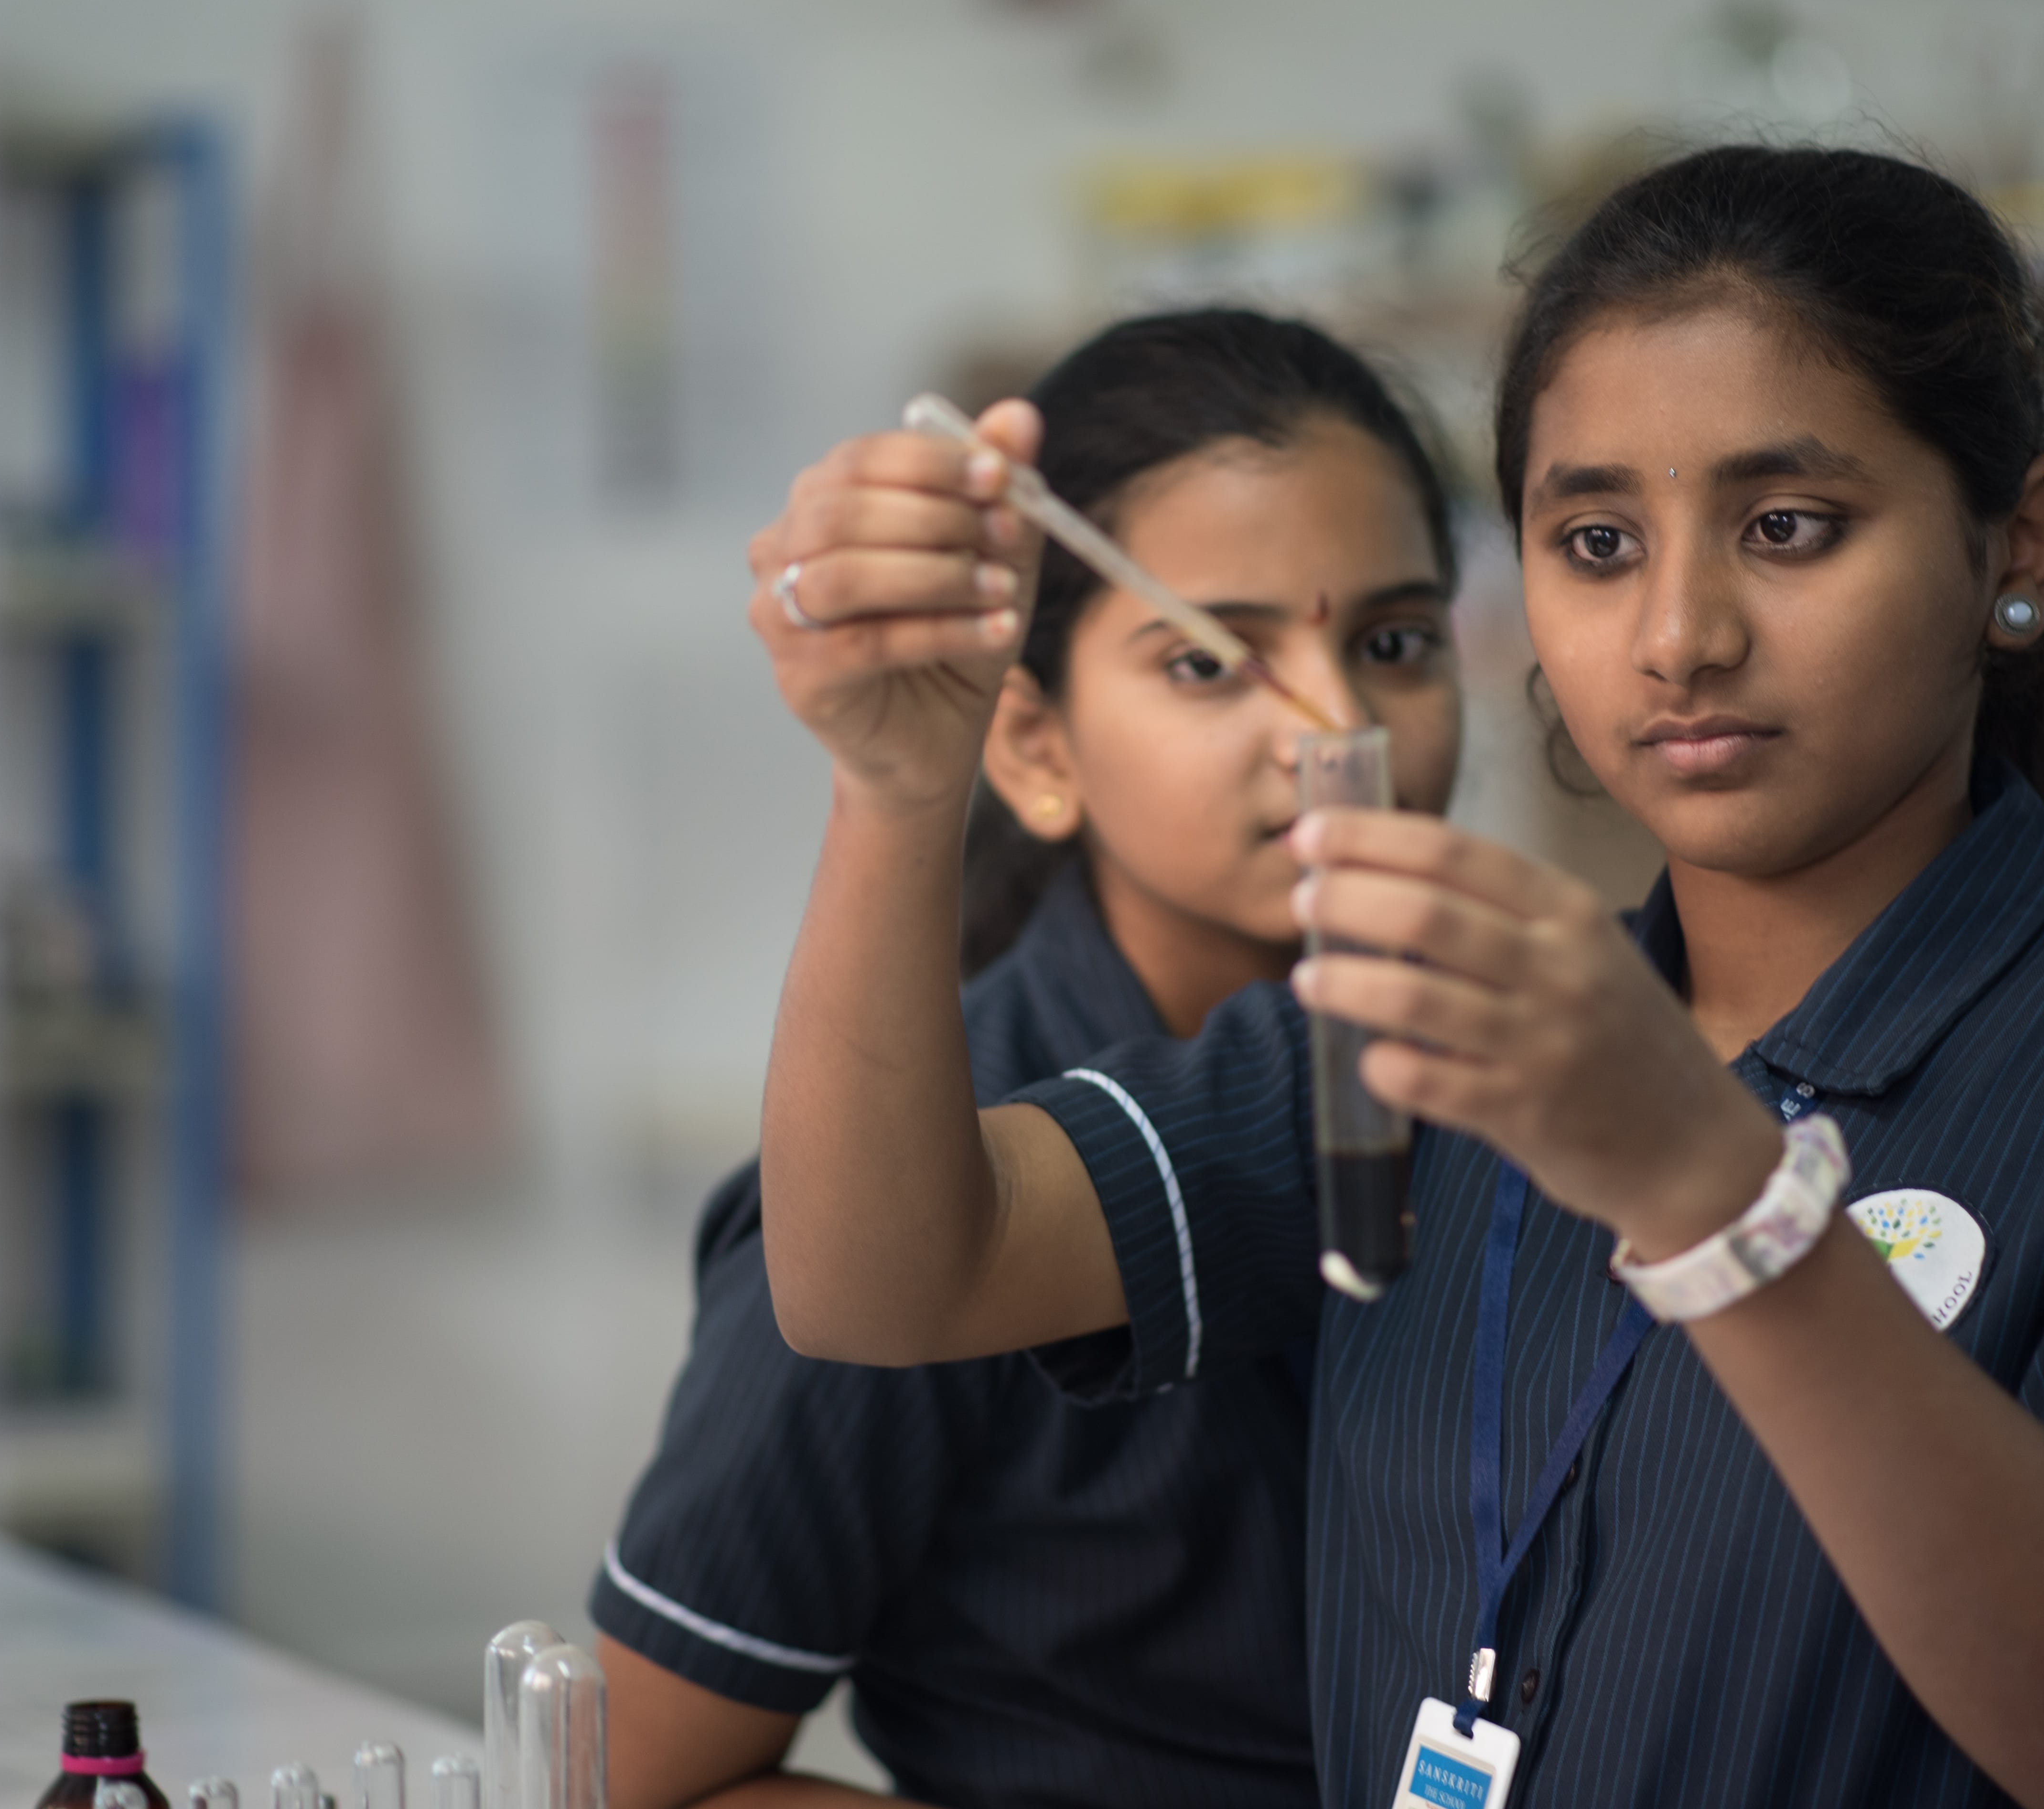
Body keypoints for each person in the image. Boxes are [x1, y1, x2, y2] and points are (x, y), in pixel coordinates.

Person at [740, 146, 2044, 1809]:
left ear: (2019, 546)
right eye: (1599, 542)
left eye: (1788, 524)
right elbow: (880, 1279)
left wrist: (1709, 1191)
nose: (1681, 633)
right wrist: (894, 793)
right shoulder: (1433, 1032)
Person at [591, 308, 1467, 1809]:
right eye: (1207, 664)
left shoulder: (1497, 1064)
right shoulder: (926, 1178)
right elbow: (625, 1773)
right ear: (1039, 752)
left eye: (1394, 644)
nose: (1336, 726)